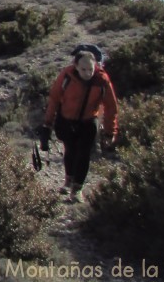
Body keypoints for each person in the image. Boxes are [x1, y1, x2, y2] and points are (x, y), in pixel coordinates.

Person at [44, 44, 118, 202]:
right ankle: (68, 180)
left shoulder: (101, 80)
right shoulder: (66, 76)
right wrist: (47, 123)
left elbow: (111, 107)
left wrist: (110, 131)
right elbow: (54, 99)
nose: (88, 73)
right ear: (76, 66)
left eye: (90, 69)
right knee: (70, 150)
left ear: (95, 65)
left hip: (88, 121)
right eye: (83, 69)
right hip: (66, 120)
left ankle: (77, 189)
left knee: (84, 154)